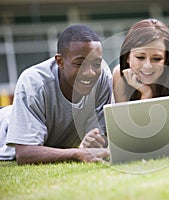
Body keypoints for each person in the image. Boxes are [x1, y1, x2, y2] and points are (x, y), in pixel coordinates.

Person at [0, 24, 112, 164]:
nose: (90, 72)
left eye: (96, 64)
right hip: (4, 127)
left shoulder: (103, 78)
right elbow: (25, 153)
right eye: (80, 64)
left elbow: (101, 139)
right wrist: (78, 153)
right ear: (60, 61)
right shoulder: (34, 82)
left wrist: (94, 142)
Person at [112, 19, 169, 102]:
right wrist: (146, 94)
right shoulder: (119, 75)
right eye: (140, 57)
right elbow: (124, 115)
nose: (148, 66)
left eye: (157, 58)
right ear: (127, 57)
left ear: (166, 59)